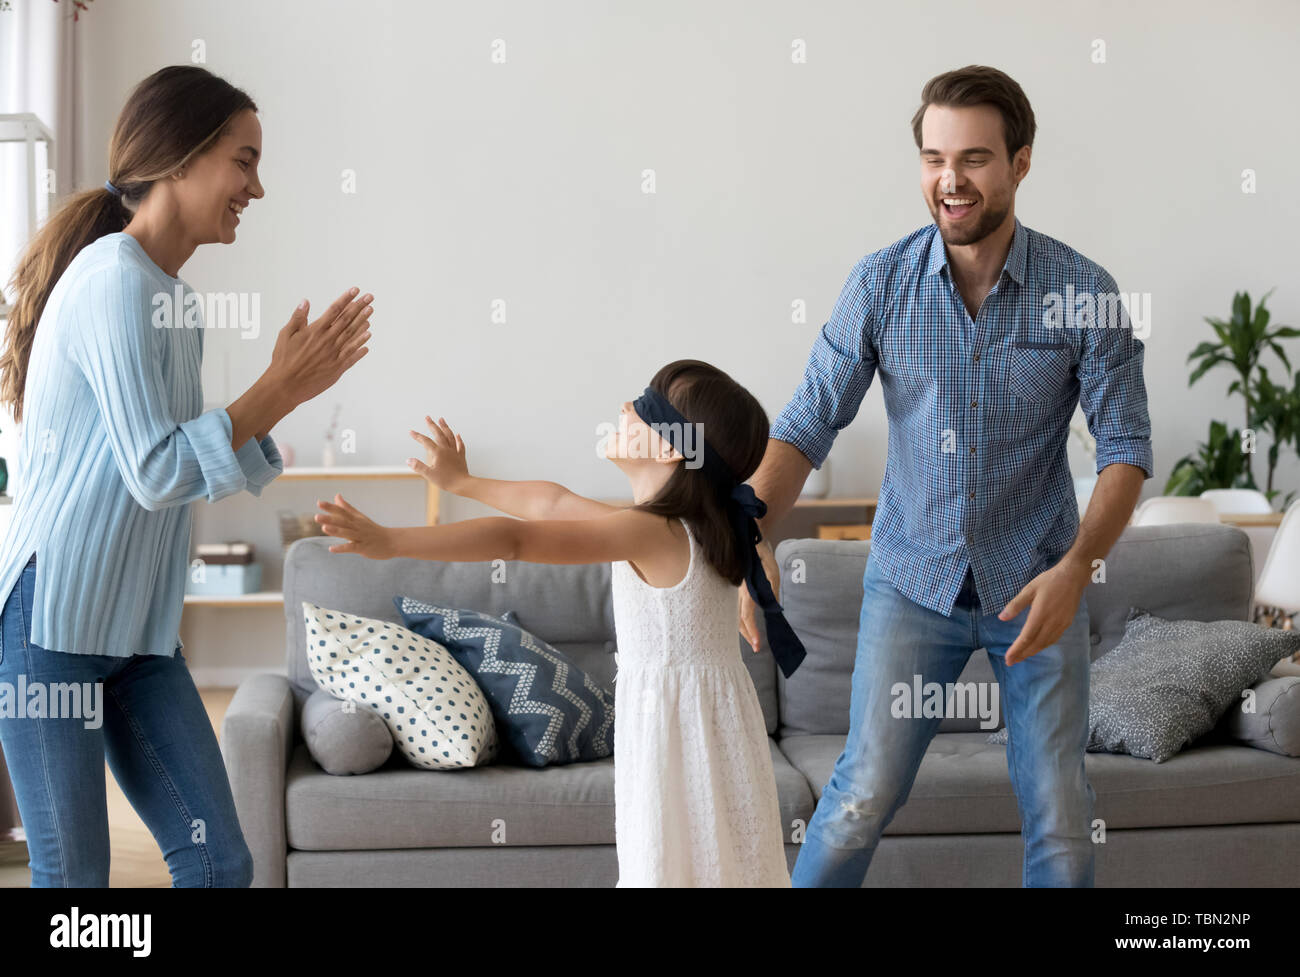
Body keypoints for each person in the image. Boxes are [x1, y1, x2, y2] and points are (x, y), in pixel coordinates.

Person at [740, 65, 1153, 887]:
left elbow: (1127, 447)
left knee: (1062, 818)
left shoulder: (1085, 293)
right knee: (859, 795)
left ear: (1021, 163)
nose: (949, 181)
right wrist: (744, 536)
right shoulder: (881, 284)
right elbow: (807, 421)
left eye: (973, 158)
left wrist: (1076, 570)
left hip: (1037, 585)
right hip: (910, 584)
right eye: (933, 158)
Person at [0, 65, 374, 887]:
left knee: (219, 861)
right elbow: (155, 470)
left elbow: (186, 466)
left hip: (138, 633)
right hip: (49, 624)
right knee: (76, 879)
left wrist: (279, 397)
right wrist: (275, 390)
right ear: (181, 156)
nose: (257, 186)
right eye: (244, 160)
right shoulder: (109, 282)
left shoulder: (174, 301)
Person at [314, 359, 799, 886]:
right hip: (716, 730)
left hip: (677, 736)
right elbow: (550, 501)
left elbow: (516, 538)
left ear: (671, 448)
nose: (625, 407)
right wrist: (464, 482)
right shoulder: (698, 527)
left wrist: (394, 542)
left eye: (646, 404)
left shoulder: (653, 533)